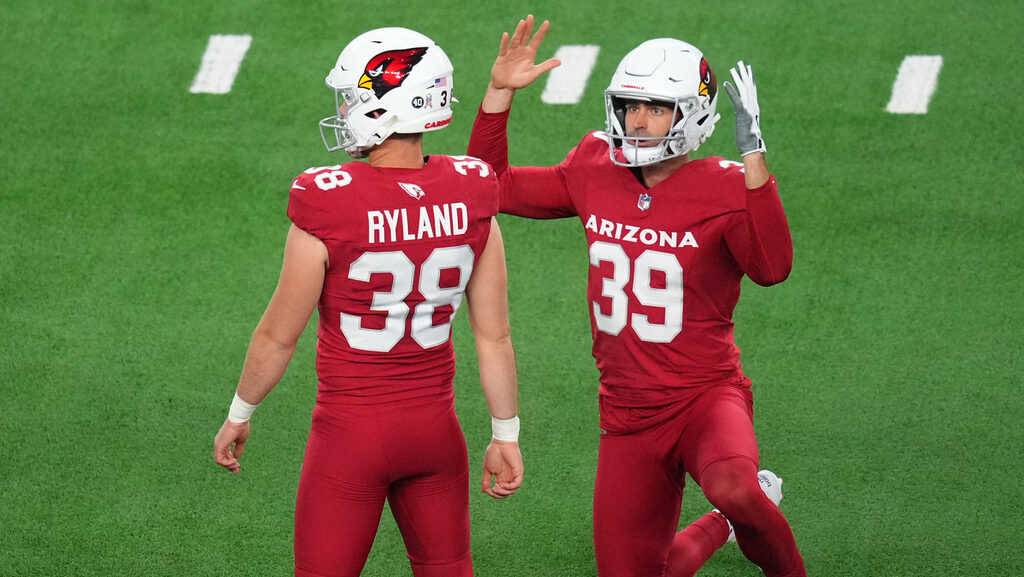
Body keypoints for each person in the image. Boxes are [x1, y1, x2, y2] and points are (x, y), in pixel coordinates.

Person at [467, 16, 806, 577]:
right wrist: (498, 95)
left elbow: (772, 269)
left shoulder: (725, 184)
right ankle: (719, 526)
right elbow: (492, 186)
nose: (638, 121)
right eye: (630, 106)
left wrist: (755, 160)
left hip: (703, 396)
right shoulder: (594, 166)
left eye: (656, 108)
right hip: (626, 412)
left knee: (734, 487)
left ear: (693, 116)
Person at [212, 27, 524, 577]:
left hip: (350, 437)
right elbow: (493, 336)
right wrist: (506, 434)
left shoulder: (328, 201)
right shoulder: (473, 191)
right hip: (436, 436)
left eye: (353, 98)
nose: (345, 109)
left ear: (387, 106)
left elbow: (278, 336)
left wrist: (240, 413)